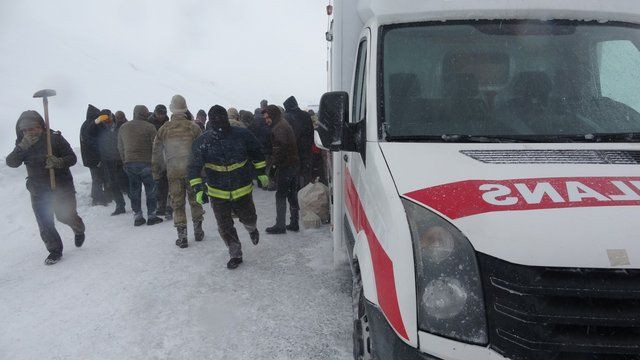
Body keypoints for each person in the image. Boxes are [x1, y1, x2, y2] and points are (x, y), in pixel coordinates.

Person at [188, 105, 268, 269]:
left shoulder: (242, 135)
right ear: (210, 121)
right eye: (215, 119)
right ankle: (235, 253)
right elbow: (193, 167)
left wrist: (261, 172)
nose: (218, 122)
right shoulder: (202, 142)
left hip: (242, 188)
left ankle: (252, 229)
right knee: (224, 226)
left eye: (221, 118)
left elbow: (257, 152)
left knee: (249, 217)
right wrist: (198, 189)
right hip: (218, 193)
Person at [6, 111, 85, 265]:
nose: (29, 132)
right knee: (44, 222)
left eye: (33, 128)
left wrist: (59, 162)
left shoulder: (54, 138)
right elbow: (11, 163)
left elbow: (72, 158)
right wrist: (21, 147)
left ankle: (78, 228)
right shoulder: (22, 144)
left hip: (61, 186)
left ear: (41, 127)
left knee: (64, 216)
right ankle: (54, 251)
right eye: (25, 130)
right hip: (38, 190)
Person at [152, 95, 204, 248]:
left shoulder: (164, 129)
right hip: (192, 170)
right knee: (195, 200)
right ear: (185, 108)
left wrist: (156, 171)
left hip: (173, 170)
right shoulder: (194, 127)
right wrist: (203, 171)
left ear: (171, 109)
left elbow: (156, 152)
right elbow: (201, 150)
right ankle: (198, 231)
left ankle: (182, 237)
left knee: (177, 203)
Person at [118, 105, 163, 226]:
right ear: (145, 114)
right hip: (146, 163)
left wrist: (124, 160)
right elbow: (156, 146)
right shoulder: (150, 127)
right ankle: (151, 216)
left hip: (130, 163)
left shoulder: (123, 127)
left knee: (134, 191)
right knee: (150, 190)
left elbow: (120, 147)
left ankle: (138, 216)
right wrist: (157, 163)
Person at [263, 105, 300, 234]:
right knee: (291, 194)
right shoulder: (283, 124)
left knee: (281, 195)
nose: (266, 120)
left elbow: (280, 150)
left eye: (267, 117)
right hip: (292, 164)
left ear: (273, 116)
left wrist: (273, 166)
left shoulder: (279, 128)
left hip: (286, 166)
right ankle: (294, 222)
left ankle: (280, 225)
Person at [89, 109, 130, 215]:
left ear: (111, 116)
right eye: (104, 118)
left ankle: (135, 204)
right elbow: (89, 132)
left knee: (126, 183)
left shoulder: (120, 124)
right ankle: (120, 205)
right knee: (113, 184)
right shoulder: (99, 128)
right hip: (107, 160)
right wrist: (96, 121)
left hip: (121, 159)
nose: (107, 120)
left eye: (107, 117)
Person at [147, 104, 172, 219]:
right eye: (159, 114)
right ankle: (160, 206)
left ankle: (168, 207)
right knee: (158, 183)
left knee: (168, 182)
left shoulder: (168, 123)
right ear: (155, 113)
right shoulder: (150, 124)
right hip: (155, 156)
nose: (161, 116)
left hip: (167, 156)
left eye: (163, 113)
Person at [80, 104, 108, 206]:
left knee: (96, 177)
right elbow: (92, 142)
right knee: (98, 178)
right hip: (94, 156)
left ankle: (96, 196)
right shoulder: (92, 124)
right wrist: (100, 154)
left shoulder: (85, 124)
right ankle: (97, 199)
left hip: (89, 157)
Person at [283, 96, 314, 187]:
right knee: (306, 172)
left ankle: (296, 191)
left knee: (294, 173)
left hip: (293, 150)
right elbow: (311, 132)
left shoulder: (286, 117)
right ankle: (306, 190)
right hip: (306, 149)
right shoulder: (306, 115)